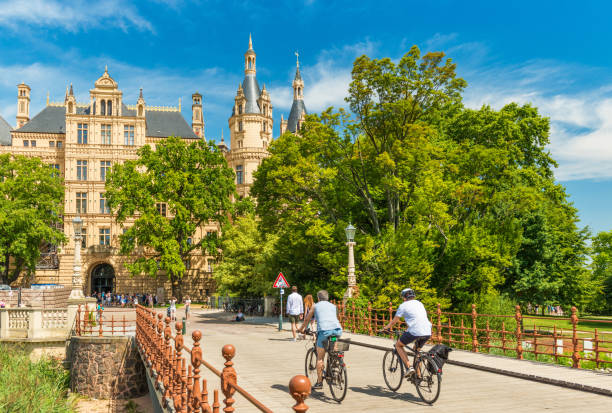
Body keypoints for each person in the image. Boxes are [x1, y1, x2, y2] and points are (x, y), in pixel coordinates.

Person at [380, 288, 431, 378]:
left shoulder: (403, 306)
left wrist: (385, 328)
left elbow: (394, 321)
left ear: (404, 298)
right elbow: (417, 318)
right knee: (417, 351)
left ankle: (409, 367)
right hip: (427, 330)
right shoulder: (419, 303)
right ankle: (418, 376)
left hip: (415, 331)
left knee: (398, 345)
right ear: (413, 296)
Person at [298, 290, 342, 390]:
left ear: (318, 298)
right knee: (333, 350)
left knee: (320, 358)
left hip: (324, 332)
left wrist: (301, 329)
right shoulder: (333, 306)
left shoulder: (315, 306)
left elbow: (307, 319)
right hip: (337, 331)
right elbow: (335, 318)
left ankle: (319, 382)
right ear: (327, 298)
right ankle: (336, 367)